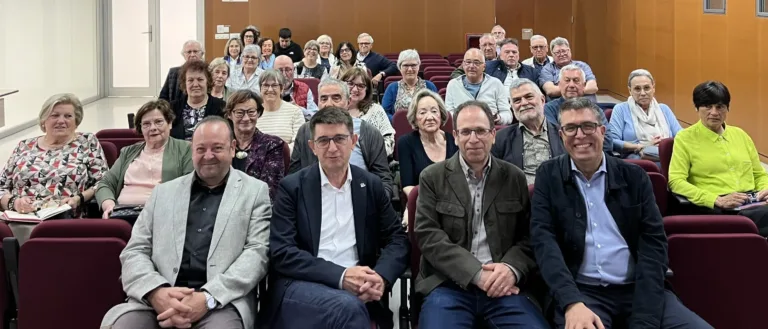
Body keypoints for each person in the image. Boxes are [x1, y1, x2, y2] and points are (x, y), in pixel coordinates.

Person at [530, 97, 712, 329]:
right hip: (583, 293)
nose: (580, 135)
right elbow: (544, 243)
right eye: (571, 128)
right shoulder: (549, 176)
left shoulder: (634, 177)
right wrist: (571, 302)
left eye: (588, 126)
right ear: (561, 135)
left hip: (639, 289)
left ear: (603, 131)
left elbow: (653, 244)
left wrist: (644, 320)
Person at [101, 116, 271, 329]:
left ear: (232, 147)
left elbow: (257, 254)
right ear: (192, 150)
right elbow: (135, 250)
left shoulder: (254, 192)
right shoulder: (163, 193)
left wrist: (208, 298)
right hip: (158, 300)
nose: (208, 156)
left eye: (217, 148)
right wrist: (156, 293)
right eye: (201, 149)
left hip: (220, 302)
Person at [266, 106, 409, 329]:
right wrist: (342, 277)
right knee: (349, 308)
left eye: (340, 139)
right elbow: (282, 252)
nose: (332, 148)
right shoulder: (292, 187)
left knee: (351, 306)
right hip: (304, 285)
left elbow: (397, 240)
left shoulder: (370, 185)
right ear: (312, 147)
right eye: (323, 140)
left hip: (361, 284)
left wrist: (380, 277)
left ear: (354, 141)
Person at [415, 100, 549, 328]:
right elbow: (429, 236)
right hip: (449, 286)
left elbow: (529, 237)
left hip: (504, 287)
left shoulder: (514, 177)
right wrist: (477, 274)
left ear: (493, 134)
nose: (473, 139)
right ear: (455, 136)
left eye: (480, 131)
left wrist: (510, 269)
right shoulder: (432, 177)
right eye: (466, 132)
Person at [669, 81, 768, 236]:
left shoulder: (740, 135)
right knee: (751, 221)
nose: (714, 112)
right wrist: (715, 199)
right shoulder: (685, 138)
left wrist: (765, 189)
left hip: (751, 201)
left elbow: (759, 174)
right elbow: (676, 181)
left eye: (720, 107)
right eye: (708, 106)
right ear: (697, 108)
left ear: (727, 108)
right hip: (717, 206)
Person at [0, 93, 107, 223]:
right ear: (44, 121)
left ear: (76, 121)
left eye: (68, 116)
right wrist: (14, 203)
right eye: (55, 115)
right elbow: (2, 185)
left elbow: (103, 182)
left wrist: (78, 198)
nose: (61, 121)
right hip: (20, 218)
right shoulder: (24, 146)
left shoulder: (87, 142)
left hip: (66, 219)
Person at [289, 79, 394, 199]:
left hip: (359, 198)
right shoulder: (305, 131)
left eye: (336, 98)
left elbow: (383, 178)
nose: (329, 104)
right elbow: (294, 175)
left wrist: (372, 205)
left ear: (348, 102)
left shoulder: (368, 132)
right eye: (323, 99)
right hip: (314, 200)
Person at [96, 100, 193, 219]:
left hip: (163, 215)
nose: (152, 128)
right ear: (140, 128)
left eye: (158, 122)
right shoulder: (128, 152)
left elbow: (190, 185)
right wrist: (109, 205)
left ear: (170, 123)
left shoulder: (185, 149)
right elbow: (105, 183)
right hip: (123, 213)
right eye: (146, 124)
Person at [397, 90, 458, 226]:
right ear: (415, 118)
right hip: (423, 205)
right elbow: (407, 186)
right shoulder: (406, 143)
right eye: (423, 112)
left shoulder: (454, 141)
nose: (429, 117)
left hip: (456, 205)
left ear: (441, 115)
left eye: (434, 111)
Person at [492, 78, 565, 185]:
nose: (524, 103)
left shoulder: (563, 134)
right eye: (517, 100)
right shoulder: (500, 138)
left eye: (529, 97)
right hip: (518, 197)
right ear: (512, 107)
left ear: (542, 100)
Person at [224, 89, 285, 201]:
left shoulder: (272, 145)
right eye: (239, 112)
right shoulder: (222, 145)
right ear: (229, 114)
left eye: (251, 112)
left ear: (259, 113)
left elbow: (269, 192)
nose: (246, 118)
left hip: (257, 210)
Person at [608, 69, 682, 160]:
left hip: (667, 153)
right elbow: (613, 141)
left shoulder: (664, 109)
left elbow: (681, 135)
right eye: (637, 89)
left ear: (653, 88)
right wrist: (640, 146)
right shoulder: (621, 109)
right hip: (636, 155)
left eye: (647, 88)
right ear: (630, 90)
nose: (643, 93)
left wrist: (664, 143)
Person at [543, 64, 611, 153]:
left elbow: (607, 142)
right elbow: (555, 141)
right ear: (559, 85)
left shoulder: (595, 109)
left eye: (576, 81)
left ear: (584, 85)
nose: (571, 85)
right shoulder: (549, 109)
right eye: (567, 81)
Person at [445, 48, 513, 125]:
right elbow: (448, 114)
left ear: (484, 67)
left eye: (476, 63)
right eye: (468, 62)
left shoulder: (496, 84)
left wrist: (499, 118)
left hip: (490, 129)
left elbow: (507, 114)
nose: (471, 66)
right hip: (462, 129)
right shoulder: (453, 84)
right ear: (463, 65)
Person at [341, 67, 396, 156]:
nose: (355, 89)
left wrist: (366, 155)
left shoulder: (375, 109)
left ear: (367, 90)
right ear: (342, 85)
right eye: (350, 83)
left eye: (361, 86)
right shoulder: (334, 109)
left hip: (371, 163)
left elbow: (389, 142)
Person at [169, 60, 226, 141]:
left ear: (208, 82)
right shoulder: (172, 108)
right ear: (184, 83)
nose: (195, 84)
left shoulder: (222, 107)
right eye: (190, 80)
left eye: (200, 79)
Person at [255, 69, 305, 150]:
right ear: (260, 89)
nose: (270, 90)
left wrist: (277, 154)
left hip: (286, 159)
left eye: (274, 85)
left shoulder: (295, 112)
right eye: (266, 85)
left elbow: (299, 142)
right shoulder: (253, 112)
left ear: (281, 89)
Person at [539, 37, 599, 102]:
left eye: (564, 51)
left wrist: (568, 91)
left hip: (586, 105)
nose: (561, 54)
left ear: (569, 51)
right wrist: (578, 89)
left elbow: (593, 87)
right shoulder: (547, 69)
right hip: (560, 107)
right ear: (552, 54)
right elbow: (551, 90)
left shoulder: (582, 66)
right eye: (557, 52)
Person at [381, 49, 439, 117]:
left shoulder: (430, 86)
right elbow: (385, 113)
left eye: (413, 65)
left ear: (418, 67)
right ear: (400, 68)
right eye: (406, 65)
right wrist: (397, 122)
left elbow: (437, 110)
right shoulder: (392, 88)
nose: (410, 69)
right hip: (398, 126)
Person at [275, 55, 319, 120]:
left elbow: (316, 116)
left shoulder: (304, 88)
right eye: (280, 70)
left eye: (288, 70)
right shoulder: (267, 89)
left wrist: (299, 109)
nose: (284, 74)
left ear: (294, 70)